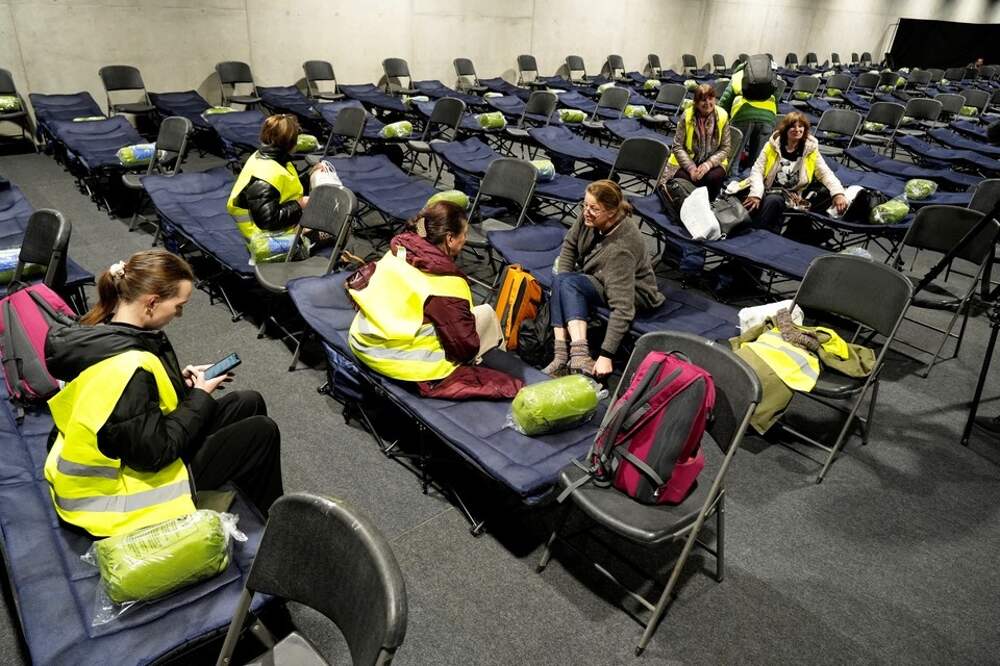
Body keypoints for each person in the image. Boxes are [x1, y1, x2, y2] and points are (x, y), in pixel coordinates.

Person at [43, 250, 283, 537]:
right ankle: (277, 532)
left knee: (248, 402)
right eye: (178, 306)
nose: (179, 315)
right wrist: (200, 396)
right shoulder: (129, 367)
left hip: (129, 449)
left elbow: (131, 410)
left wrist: (180, 383)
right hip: (120, 493)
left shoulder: (105, 331)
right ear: (152, 302)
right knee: (261, 432)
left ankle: (244, 503)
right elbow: (154, 454)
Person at [347, 201, 522, 400]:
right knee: (486, 315)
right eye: (464, 234)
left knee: (464, 318)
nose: (466, 239)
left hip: (363, 341)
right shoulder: (446, 285)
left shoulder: (399, 251)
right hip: (397, 363)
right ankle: (500, 362)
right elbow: (464, 348)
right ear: (450, 239)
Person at [542, 180, 665, 378]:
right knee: (561, 279)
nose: (587, 211)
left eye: (594, 208)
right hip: (600, 278)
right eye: (585, 205)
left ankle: (580, 355)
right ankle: (561, 355)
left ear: (611, 212)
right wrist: (562, 282)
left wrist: (606, 354)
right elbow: (570, 246)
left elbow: (623, 308)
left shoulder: (621, 249)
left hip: (634, 293)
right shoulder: (588, 217)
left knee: (570, 283)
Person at [744, 111, 847, 239]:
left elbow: (826, 174)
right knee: (771, 200)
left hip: (794, 196)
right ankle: (755, 237)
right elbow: (757, 171)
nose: (797, 130)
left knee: (825, 195)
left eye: (800, 126)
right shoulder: (771, 146)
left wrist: (838, 194)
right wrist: (756, 194)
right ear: (785, 129)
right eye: (792, 126)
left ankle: (788, 235)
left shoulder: (810, 149)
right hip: (768, 189)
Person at [226, 114, 331, 240]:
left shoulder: (268, 158)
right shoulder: (266, 174)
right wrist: (299, 204)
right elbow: (268, 221)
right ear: (291, 144)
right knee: (333, 230)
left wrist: (309, 175)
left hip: (272, 228)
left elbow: (287, 188)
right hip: (264, 239)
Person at [664, 83, 732, 201]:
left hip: (713, 161)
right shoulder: (687, 116)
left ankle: (708, 205)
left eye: (710, 98)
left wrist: (707, 165)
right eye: (703, 100)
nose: (708, 103)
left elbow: (725, 148)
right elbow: (677, 146)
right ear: (696, 102)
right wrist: (691, 168)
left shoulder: (723, 115)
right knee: (682, 179)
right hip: (687, 161)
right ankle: (686, 206)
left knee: (714, 177)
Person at [719, 56, 779, 168]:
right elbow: (776, 99)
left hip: (742, 115)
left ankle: (732, 176)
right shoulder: (770, 77)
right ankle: (751, 176)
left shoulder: (738, 76)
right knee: (758, 159)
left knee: (734, 156)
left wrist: (719, 119)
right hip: (768, 117)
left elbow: (725, 100)